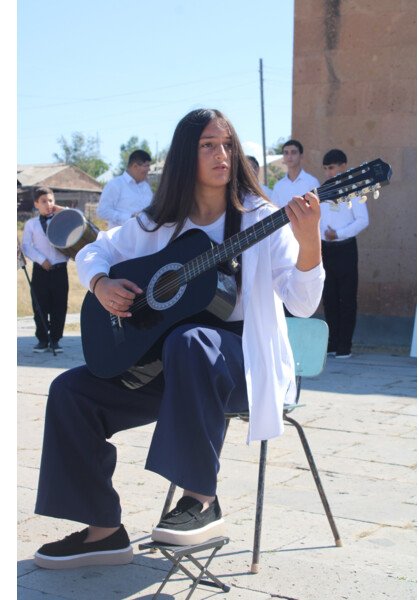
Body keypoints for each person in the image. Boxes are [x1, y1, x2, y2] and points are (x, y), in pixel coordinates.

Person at [32, 108, 325, 570]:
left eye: (227, 145)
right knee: (71, 391)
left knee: (191, 340)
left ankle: (200, 499)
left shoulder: (261, 219)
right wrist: (101, 284)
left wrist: (310, 242)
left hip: (241, 363)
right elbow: (96, 250)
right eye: (208, 145)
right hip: (170, 364)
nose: (222, 154)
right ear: (187, 155)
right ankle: (102, 531)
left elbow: (303, 303)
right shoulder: (158, 223)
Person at [319, 149, 369, 358]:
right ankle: (332, 343)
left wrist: (338, 234)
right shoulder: (322, 190)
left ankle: (344, 345)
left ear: (343, 166)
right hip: (325, 249)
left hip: (345, 248)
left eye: (331, 168)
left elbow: (363, 220)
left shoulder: (354, 190)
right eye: (325, 168)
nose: (328, 172)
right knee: (329, 297)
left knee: (347, 298)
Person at [21, 187, 69, 353]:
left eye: (50, 200)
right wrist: (42, 260)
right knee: (40, 305)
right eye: (43, 201)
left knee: (59, 305)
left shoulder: (62, 219)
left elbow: (78, 217)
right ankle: (42, 339)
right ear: (36, 204)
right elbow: (27, 246)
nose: (48, 204)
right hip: (41, 270)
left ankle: (55, 339)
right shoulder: (31, 224)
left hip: (60, 270)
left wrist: (61, 210)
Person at [97, 149, 153, 228]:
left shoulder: (146, 187)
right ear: (135, 166)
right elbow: (102, 211)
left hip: (144, 234)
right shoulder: (115, 185)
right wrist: (130, 218)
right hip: (121, 235)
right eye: (146, 166)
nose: (149, 169)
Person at [270, 139, 320, 208]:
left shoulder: (312, 182)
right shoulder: (278, 186)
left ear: (301, 156)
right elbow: (274, 210)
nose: (289, 156)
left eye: (293, 152)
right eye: (286, 153)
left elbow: (318, 208)